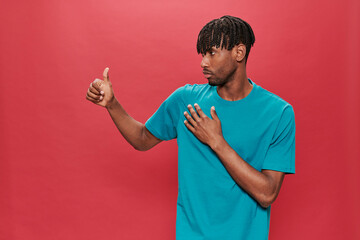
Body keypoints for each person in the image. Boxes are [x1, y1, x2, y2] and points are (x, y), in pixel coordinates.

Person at [86, 15, 295, 240]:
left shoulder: (278, 113)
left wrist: (217, 142)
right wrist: (112, 105)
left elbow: (267, 193)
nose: (203, 62)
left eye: (212, 53)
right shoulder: (186, 100)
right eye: (202, 54)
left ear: (239, 53)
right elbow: (142, 137)